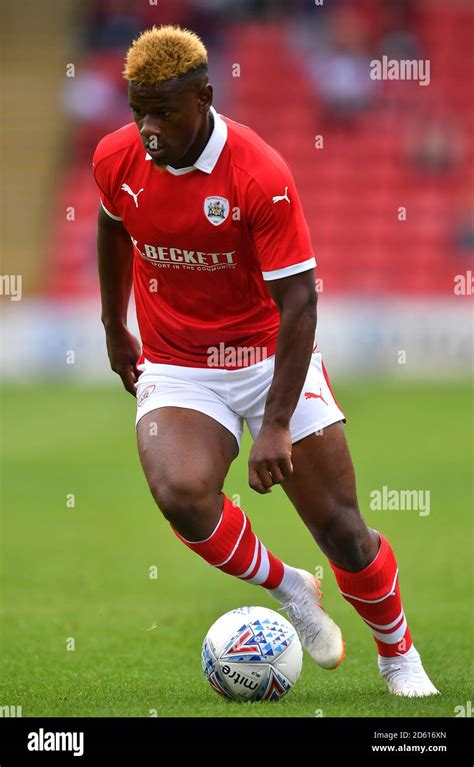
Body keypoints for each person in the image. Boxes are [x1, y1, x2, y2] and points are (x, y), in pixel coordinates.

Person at [93, 24, 438, 696]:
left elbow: (300, 302)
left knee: (342, 530)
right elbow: (112, 225)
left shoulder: (258, 173)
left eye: (163, 111)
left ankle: (400, 656)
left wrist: (275, 422)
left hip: (270, 356)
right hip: (179, 363)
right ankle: (290, 588)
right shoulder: (117, 158)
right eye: (138, 112)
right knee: (181, 494)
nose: (147, 130)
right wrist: (114, 325)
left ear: (204, 96)